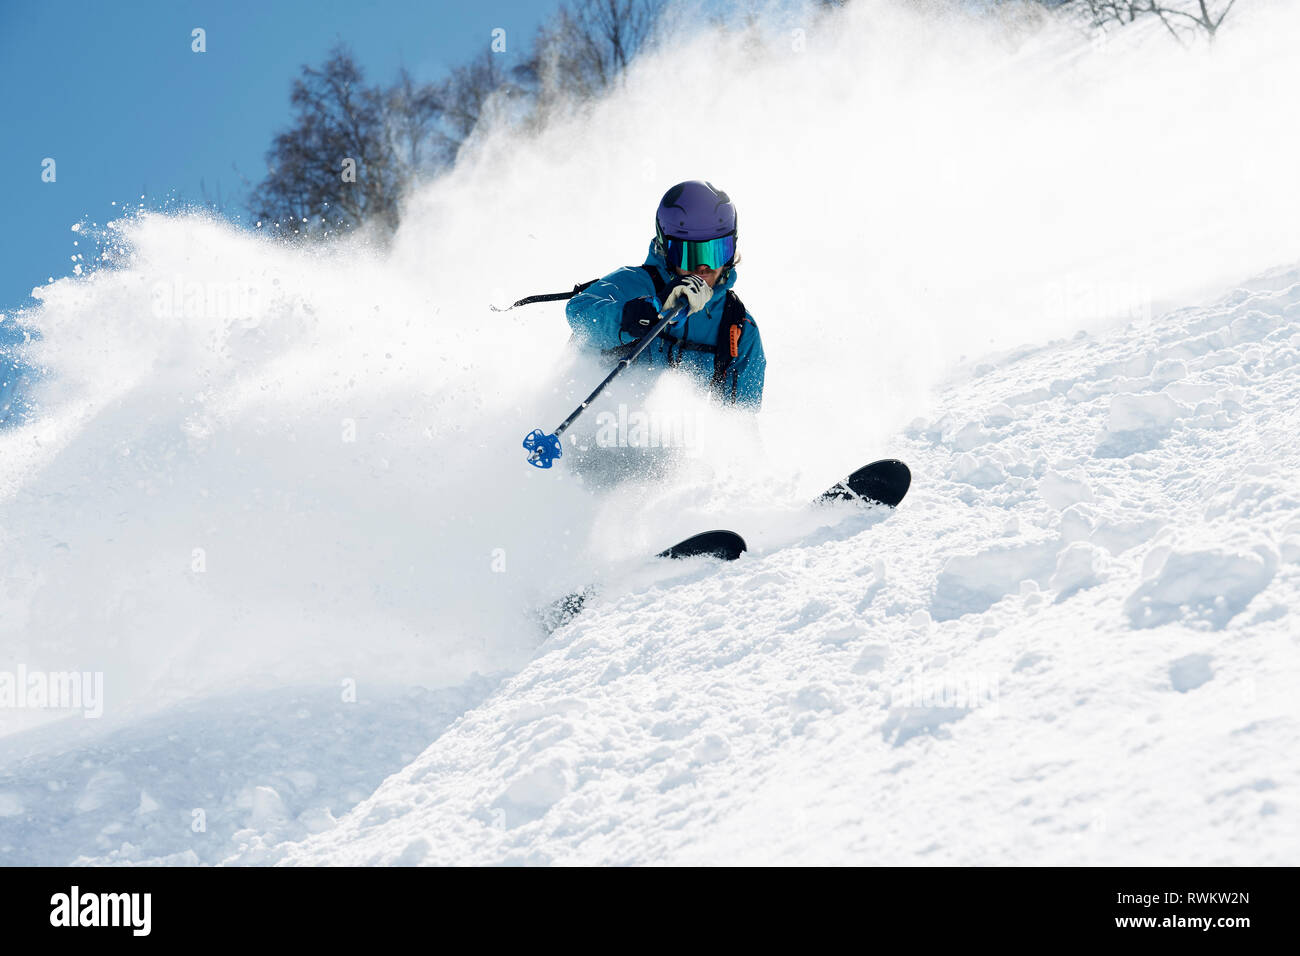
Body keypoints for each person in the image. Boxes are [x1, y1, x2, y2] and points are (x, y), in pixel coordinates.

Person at [565, 180, 766, 408]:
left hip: (670, 436)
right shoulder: (635, 284)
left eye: (716, 252)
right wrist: (638, 314)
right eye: (688, 254)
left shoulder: (738, 327)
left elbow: (740, 424)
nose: (702, 268)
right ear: (666, 250)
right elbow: (578, 313)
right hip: (595, 425)